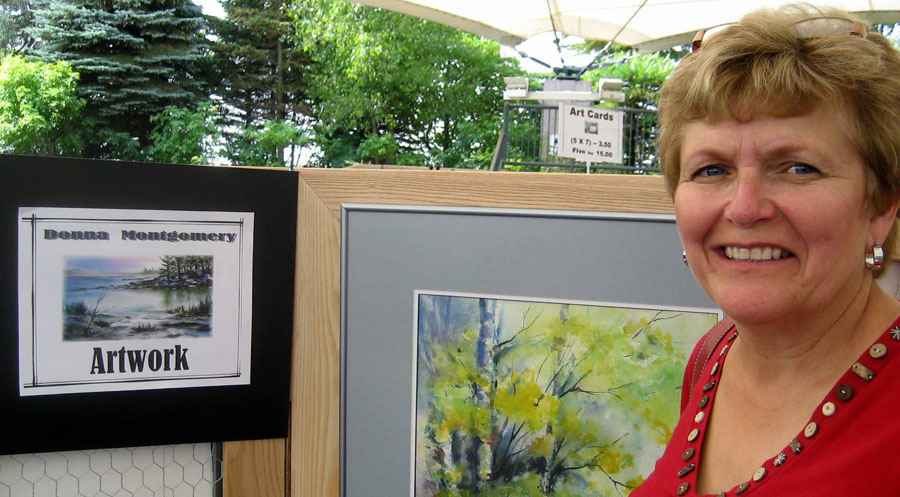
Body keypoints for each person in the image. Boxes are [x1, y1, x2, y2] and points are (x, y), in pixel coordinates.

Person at [632, 4, 900, 496]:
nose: (745, 208)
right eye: (712, 170)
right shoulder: (712, 357)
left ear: (881, 206)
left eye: (798, 168)